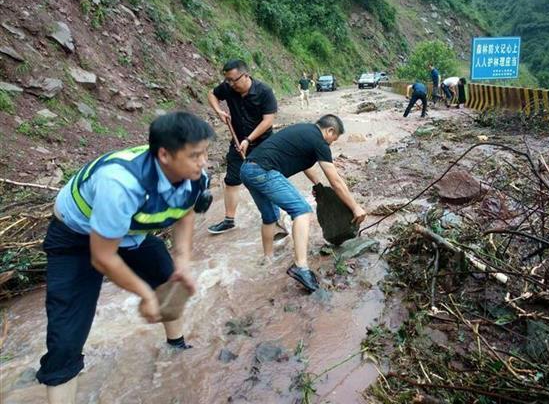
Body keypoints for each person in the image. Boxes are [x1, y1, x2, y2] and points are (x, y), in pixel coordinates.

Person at [36, 112, 214, 404]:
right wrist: (145, 295)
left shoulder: (194, 175)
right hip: (76, 237)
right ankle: (61, 381)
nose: (203, 162)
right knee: (66, 335)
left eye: (205, 153)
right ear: (165, 155)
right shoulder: (120, 184)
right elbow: (103, 258)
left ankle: (176, 346)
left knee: (167, 277)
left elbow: (185, 213)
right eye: (195, 155)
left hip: (128, 232)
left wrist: (183, 264)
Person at [239, 114, 367, 292]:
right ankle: (301, 266)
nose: (331, 144)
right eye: (334, 139)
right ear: (330, 131)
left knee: (270, 217)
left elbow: (305, 165)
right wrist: (355, 207)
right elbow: (336, 181)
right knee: (302, 211)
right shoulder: (320, 142)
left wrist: (317, 186)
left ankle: (267, 259)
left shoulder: (303, 131)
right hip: (264, 171)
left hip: (247, 169)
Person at [207, 59, 279, 235]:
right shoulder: (228, 88)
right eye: (227, 80)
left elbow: (268, 120)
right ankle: (229, 220)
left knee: (266, 179)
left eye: (234, 80)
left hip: (263, 143)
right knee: (231, 179)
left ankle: (275, 220)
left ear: (245, 75)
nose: (230, 84)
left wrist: (248, 139)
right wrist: (218, 111)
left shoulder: (264, 91)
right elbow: (211, 94)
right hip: (238, 142)